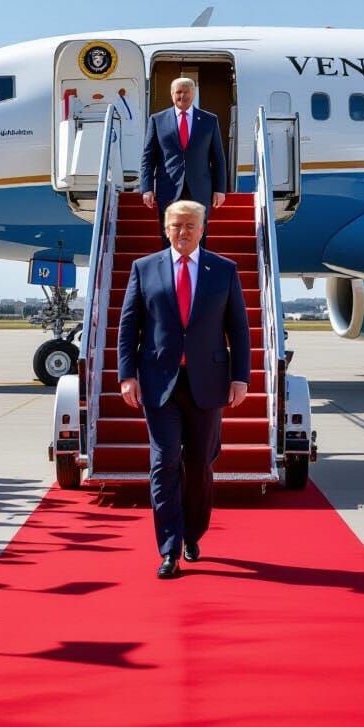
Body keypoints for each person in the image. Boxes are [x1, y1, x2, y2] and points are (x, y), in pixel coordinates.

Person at [117, 199, 250, 579]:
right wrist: (127, 375)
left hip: (207, 384)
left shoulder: (223, 270)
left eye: (190, 225)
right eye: (176, 225)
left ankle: (193, 532)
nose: (183, 232)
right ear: (165, 227)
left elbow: (238, 328)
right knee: (163, 463)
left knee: (198, 466)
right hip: (159, 383)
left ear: (202, 228)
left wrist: (240, 377)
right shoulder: (144, 269)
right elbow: (129, 327)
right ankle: (169, 548)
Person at [140, 77, 227, 235]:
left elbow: (218, 158)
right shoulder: (157, 120)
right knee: (170, 234)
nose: (182, 96)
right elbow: (148, 157)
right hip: (168, 187)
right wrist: (146, 188)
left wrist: (220, 189)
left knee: (198, 234)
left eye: (186, 92)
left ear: (193, 93)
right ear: (172, 94)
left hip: (200, 189)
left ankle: (197, 261)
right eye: (178, 92)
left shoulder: (209, 120)